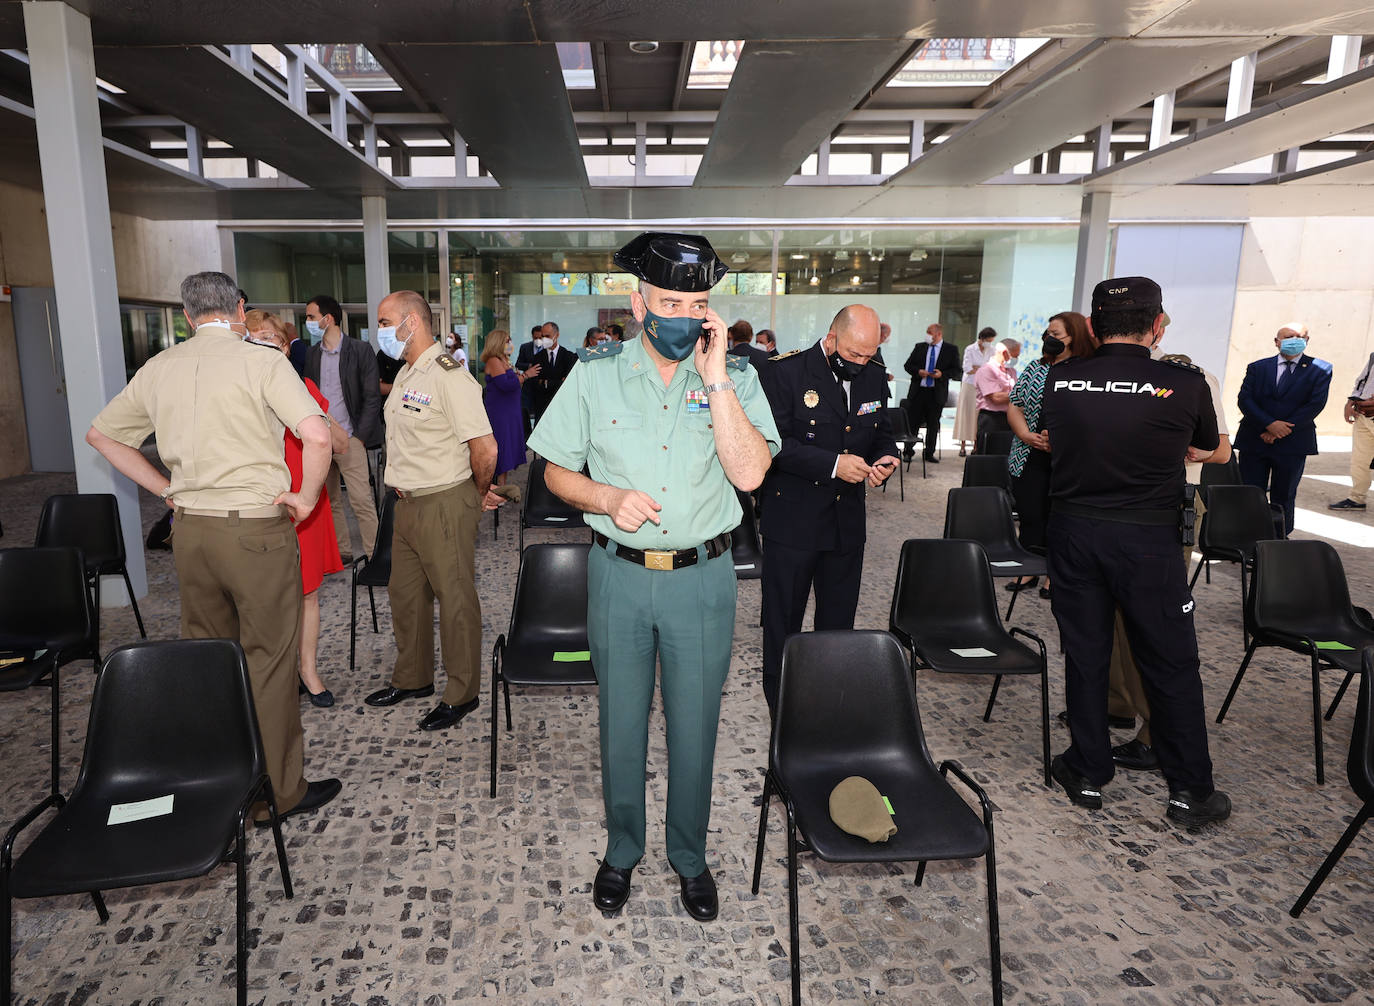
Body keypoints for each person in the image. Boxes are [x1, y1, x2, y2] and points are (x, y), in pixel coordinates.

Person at [528, 232, 779, 922]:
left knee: (696, 726)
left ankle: (689, 859)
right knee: (621, 723)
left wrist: (719, 374)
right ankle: (622, 850)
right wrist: (606, 499)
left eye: (696, 303)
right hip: (620, 577)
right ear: (639, 304)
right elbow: (552, 469)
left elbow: (752, 472)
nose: (682, 314)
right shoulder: (596, 371)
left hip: (703, 580)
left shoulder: (738, 378)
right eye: (669, 301)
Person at [86, 270, 341, 824]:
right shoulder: (263, 362)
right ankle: (278, 793)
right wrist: (305, 496)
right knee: (269, 663)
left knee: (209, 662)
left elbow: (101, 436)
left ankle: (216, 786)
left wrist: (166, 490)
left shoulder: (160, 367)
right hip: (255, 532)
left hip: (192, 534)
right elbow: (318, 434)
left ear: (185, 316)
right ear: (241, 309)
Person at [1040, 275, 1229, 828]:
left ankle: (1088, 767)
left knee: (1087, 651)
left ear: (1094, 328)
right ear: (1155, 326)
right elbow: (1208, 445)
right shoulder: (1185, 382)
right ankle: (1190, 789)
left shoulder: (1062, 378)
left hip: (1074, 532)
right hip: (1148, 540)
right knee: (1170, 662)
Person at [362, 291, 503, 732]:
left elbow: (485, 447)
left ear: (411, 322)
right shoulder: (406, 373)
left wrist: (476, 495)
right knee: (405, 597)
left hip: (444, 501)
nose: (379, 329)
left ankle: (462, 693)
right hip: (404, 504)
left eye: (385, 320)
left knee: (455, 599)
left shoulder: (448, 376)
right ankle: (414, 678)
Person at [757, 305, 899, 717]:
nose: (861, 363)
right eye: (854, 353)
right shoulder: (786, 372)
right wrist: (835, 464)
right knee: (783, 625)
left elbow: (881, 434)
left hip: (846, 525)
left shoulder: (872, 373)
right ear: (832, 338)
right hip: (794, 523)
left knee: (838, 626)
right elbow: (774, 444)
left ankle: (828, 711)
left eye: (869, 354)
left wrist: (886, 459)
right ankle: (784, 713)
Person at [1107, 347, 1234, 772]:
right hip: (1118, 504)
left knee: (1152, 621)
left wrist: (1190, 449)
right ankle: (1118, 704)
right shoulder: (1115, 375)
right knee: (1114, 618)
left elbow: (1221, 450)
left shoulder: (1193, 376)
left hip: (1171, 501)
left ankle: (1156, 733)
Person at [247, 309, 347, 708]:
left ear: (286, 347)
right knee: (258, 596)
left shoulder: (303, 386)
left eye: (269, 339)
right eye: (252, 339)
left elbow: (338, 443)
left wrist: (310, 413)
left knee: (306, 595)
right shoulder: (236, 390)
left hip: (304, 505)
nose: (261, 346)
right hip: (257, 506)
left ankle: (308, 670)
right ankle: (270, 674)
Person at [1005, 313, 1093, 597]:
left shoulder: (1088, 371)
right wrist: (1024, 434)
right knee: (1030, 514)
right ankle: (1028, 568)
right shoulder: (1035, 367)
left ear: (1074, 337)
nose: (1049, 339)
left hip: (1069, 460)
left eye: (1057, 334)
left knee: (1061, 518)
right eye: (1048, 333)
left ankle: (1054, 573)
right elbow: (1014, 404)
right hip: (1029, 455)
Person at [304, 294, 382, 562]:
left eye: (312, 317)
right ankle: (343, 551)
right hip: (321, 441)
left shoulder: (360, 350)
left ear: (329, 318)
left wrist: (359, 437)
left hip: (350, 439)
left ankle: (375, 555)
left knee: (362, 501)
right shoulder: (312, 354)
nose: (308, 322)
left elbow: (372, 397)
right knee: (331, 500)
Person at [1234, 323, 1332, 536]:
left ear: (1307, 340)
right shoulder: (1257, 367)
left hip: (1293, 443)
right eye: (1288, 336)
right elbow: (1245, 400)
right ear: (1277, 342)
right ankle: (1248, 538)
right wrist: (1269, 424)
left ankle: (1279, 539)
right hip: (1255, 439)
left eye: (1299, 336)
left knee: (1284, 494)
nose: (1294, 340)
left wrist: (1281, 429)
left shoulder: (1321, 369)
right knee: (1250, 492)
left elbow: (1314, 405)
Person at [481, 328, 537, 489]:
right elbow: (506, 385)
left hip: (510, 410)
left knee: (508, 447)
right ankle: (494, 486)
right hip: (500, 412)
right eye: (507, 341)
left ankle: (502, 485)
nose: (510, 344)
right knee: (502, 447)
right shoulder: (494, 360)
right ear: (498, 343)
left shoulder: (504, 360)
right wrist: (525, 375)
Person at [902, 323, 959, 463]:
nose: (927, 335)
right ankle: (908, 451)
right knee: (913, 422)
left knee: (933, 424)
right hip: (918, 391)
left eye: (930, 332)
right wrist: (918, 372)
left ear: (938, 334)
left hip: (936, 392)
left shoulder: (950, 349)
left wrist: (942, 374)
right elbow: (908, 365)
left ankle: (929, 453)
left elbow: (957, 370)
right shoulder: (920, 347)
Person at [1330, 350, 1374, 510]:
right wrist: (1351, 402)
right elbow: (1363, 380)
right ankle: (1357, 498)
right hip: (1364, 415)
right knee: (1360, 461)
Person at [954, 327, 998, 456]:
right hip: (969, 385)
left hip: (984, 387)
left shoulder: (993, 350)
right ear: (983, 339)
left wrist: (979, 368)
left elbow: (992, 368)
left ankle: (976, 446)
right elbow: (967, 368)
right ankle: (962, 446)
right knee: (966, 415)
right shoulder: (970, 349)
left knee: (978, 416)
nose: (990, 343)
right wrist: (983, 369)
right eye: (989, 340)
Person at [529, 321, 577, 427]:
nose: (544, 339)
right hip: (542, 408)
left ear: (557, 335)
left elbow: (568, 384)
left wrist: (546, 383)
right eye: (542, 336)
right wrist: (558, 382)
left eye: (547, 336)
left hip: (562, 407)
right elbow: (535, 383)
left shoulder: (568, 356)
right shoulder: (537, 357)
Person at [974, 338, 1019, 447]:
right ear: (1004, 353)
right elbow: (996, 398)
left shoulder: (1011, 371)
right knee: (988, 456)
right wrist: (1019, 394)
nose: (1016, 359)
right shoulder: (986, 370)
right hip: (991, 418)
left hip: (1010, 417)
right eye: (1015, 356)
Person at [515, 324, 543, 436]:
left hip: (542, 387)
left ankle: (538, 437)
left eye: (540, 338)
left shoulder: (548, 348)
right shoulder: (525, 347)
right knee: (524, 413)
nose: (538, 340)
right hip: (527, 386)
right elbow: (518, 363)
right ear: (532, 336)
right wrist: (530, 366)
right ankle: (525, 437)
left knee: (540, 414)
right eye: (536, 338)